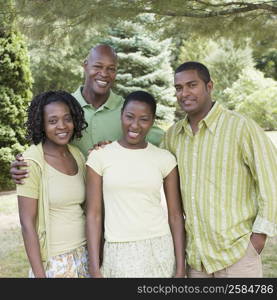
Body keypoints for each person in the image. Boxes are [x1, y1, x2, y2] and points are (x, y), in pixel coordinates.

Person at [161, 61, 277, 278]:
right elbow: (146, 159)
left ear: (209, 86)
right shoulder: (172, 136)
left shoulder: (241, 127)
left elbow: (272, 182)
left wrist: (258, 239)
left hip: (238, 256)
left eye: (192, 85)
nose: (184, 93)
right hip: (197, 260)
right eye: (178, 88)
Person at [10, 44, 164, 182]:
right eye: (98, 66)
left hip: (115, 204)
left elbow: (163, 144)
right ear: (85, 65)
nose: (104, 73)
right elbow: (41, 146)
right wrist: (22, 163)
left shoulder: (128, 113)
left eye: (111, 69)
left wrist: (118, 149)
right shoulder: (64, 109)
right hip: (73, 203)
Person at [86, 91, 186, 278]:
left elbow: (175, 215)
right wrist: (94, 267)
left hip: (159, 248)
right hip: (118, 251)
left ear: (152, 121)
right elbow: (94, 215)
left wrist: (180, 267)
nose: (135, 125)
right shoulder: (99, 157)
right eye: (129, 117)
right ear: (121, 115)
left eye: (144, 119)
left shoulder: (164, 158)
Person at [17, 90, 90, 278]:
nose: (62, 126)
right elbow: (27, 224)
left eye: (67, 119)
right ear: (41, 125)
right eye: (52, 121)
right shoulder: (31, 162)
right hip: (54, 261)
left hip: (84, 254)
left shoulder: (77, 155)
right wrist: (40, 275)